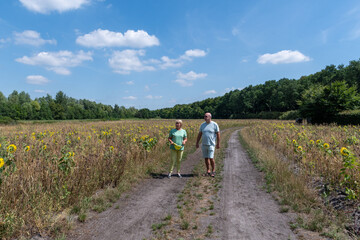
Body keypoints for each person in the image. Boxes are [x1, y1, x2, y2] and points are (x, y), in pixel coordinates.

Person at [196, 112, 220, 177]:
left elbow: (218, 134)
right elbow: (200, 134)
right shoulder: (202, 125)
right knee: (206, 158)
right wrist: (197, 142)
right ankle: (208, 171)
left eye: (206, 116)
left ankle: (213, 171)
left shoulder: (214, 124)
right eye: (204, 116)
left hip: (211, 144)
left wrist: (218, 143)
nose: (205, 117)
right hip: (204, 144)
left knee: (211, 158)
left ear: (210, 117)